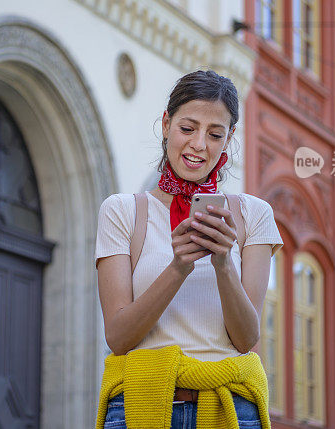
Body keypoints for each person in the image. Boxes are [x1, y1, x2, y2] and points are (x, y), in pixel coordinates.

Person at [94, 70, 284, 429]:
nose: (199, 145)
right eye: (187, 128)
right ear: (166, 124)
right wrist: (178, 267)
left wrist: (224, 262)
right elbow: (118, 337)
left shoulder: (253, 215)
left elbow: (246, 339)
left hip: (229, 407)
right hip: (143, 403)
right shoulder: (122, 211)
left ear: (228, 140)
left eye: (215, 134)